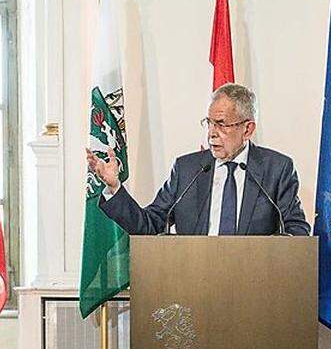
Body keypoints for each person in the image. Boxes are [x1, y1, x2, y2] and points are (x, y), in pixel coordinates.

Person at [86, 83, 311, 236]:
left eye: (221, 124)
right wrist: (115, 187)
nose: (212, 133)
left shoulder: (276, 169)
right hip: (194, 283)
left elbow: (297, 231)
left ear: (247, 129)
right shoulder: (187, 169)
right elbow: (149, 224)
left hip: (254, 286)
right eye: (209, 123)